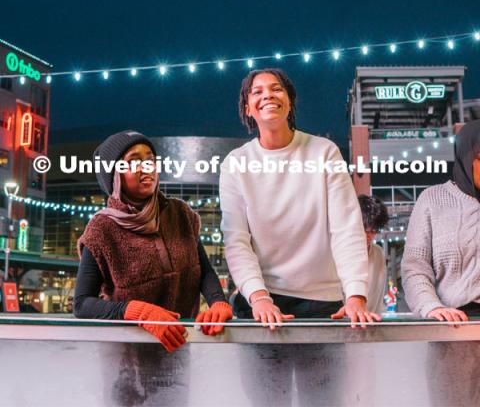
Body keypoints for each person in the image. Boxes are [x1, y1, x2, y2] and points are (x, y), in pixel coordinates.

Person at [220, 68, 381, 328]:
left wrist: (355, 295)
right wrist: (258, 296)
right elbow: (236, 239)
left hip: (322, 300)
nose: (267, 95)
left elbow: (346, 228)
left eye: (276, 88)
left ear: (290, 101)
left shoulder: (324, 152)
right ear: (247, 108)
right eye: (257, 91)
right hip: (261, 299)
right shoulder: (235, 164)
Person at [74, 130, 233, 352]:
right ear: (115, 176)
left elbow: (204, 271)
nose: (147, 167)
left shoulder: (180, 214)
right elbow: (82, 304)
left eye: (150, 160)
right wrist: (136, 311)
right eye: (134, 162)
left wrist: (218, 302)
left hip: (180, 347)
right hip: (126, 356)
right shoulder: (102, 229)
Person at [401, 120, 480, 321]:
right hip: (452, 324)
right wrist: (430, 306)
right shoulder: (433, 199)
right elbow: (415, 267)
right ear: (466, 157)